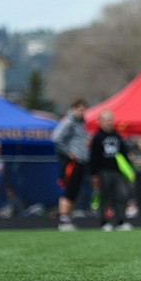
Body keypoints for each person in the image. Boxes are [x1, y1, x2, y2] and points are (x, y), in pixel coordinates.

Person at [88, 110, 132, 231]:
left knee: (121, 194)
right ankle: (104, 222)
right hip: (103, 171)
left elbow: (123, 153)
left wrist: (129, 168)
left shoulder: (117, 136)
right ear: (101, 121)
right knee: (104, 196)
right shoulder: (98, 137)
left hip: (117, 171)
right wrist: (94, 174)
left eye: (110, 120)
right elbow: (93, 157)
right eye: (106, 120)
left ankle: (121, 221)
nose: (108, 122)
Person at [52, 98, 89, 231]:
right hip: (71, 162)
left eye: (84, 110)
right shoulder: (69, 122)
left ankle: (68, 218)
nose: (82, 112)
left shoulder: (81, 123)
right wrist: (69, 153)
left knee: (74, 191)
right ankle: (63, 220)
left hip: (80, 161)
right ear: (73, 109)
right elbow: (56, 138)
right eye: (80, 110)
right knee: (68, 190)